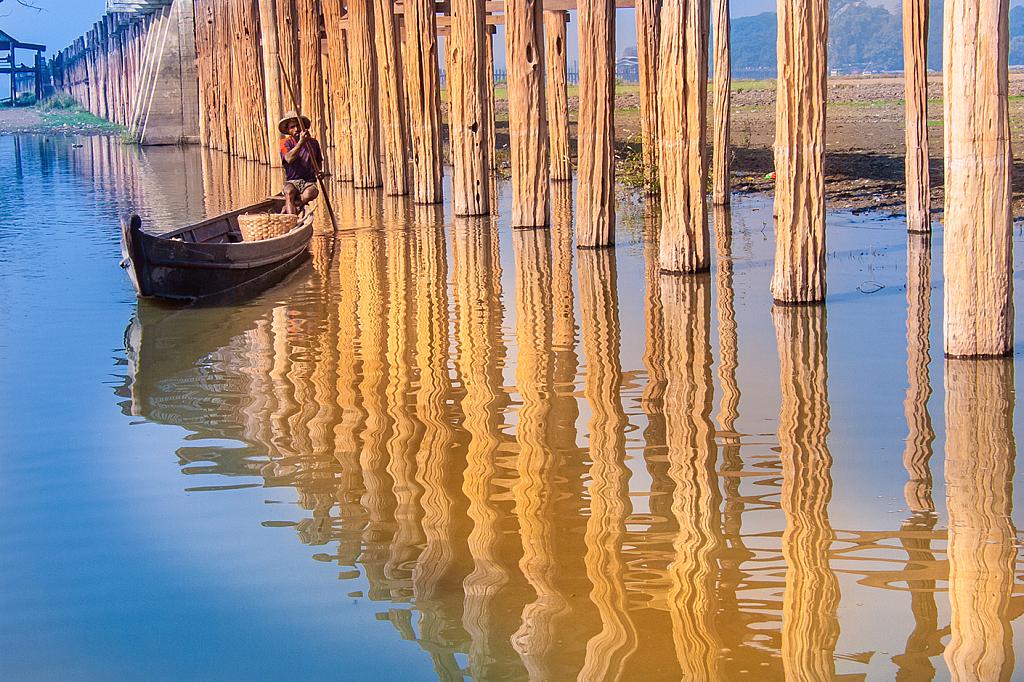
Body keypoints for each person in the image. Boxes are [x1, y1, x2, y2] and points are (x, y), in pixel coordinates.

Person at [278, 111, 324, 214]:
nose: (296, 129)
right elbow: (289, 158)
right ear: (288, 131)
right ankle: (292, 220)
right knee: (289, 192)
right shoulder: (285, 142)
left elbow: (318, 162)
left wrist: (319, 172)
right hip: (292, 181)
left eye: (298, 126)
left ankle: (294, 204)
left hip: (309, 182)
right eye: (292, 127)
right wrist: (301, 142)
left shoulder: (313, 143)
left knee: (310, 193)